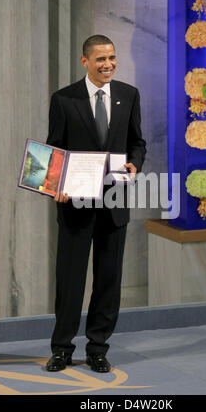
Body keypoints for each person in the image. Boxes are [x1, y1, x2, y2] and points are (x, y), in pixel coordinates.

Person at [45, 35, 146, 373]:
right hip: (75, 204)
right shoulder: (64, 99)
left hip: (115, 203)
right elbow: (54, 148)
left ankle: (98, 348)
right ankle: (61, 349)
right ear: (84, 61)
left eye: (112, 58)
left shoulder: (129, 95)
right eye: (101, 59)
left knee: (108, 280)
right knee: (70, 280)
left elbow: (137, 142)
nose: (108, 65)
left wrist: (135, 164)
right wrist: (56, 184)